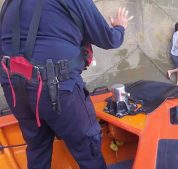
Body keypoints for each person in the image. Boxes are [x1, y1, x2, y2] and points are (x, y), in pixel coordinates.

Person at [0, 0, 133, 168]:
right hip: (57, 88)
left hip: (14, 87)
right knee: (88, 148)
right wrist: (120, 27)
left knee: (37, 148)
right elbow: (109, 39)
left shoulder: (10, 2)